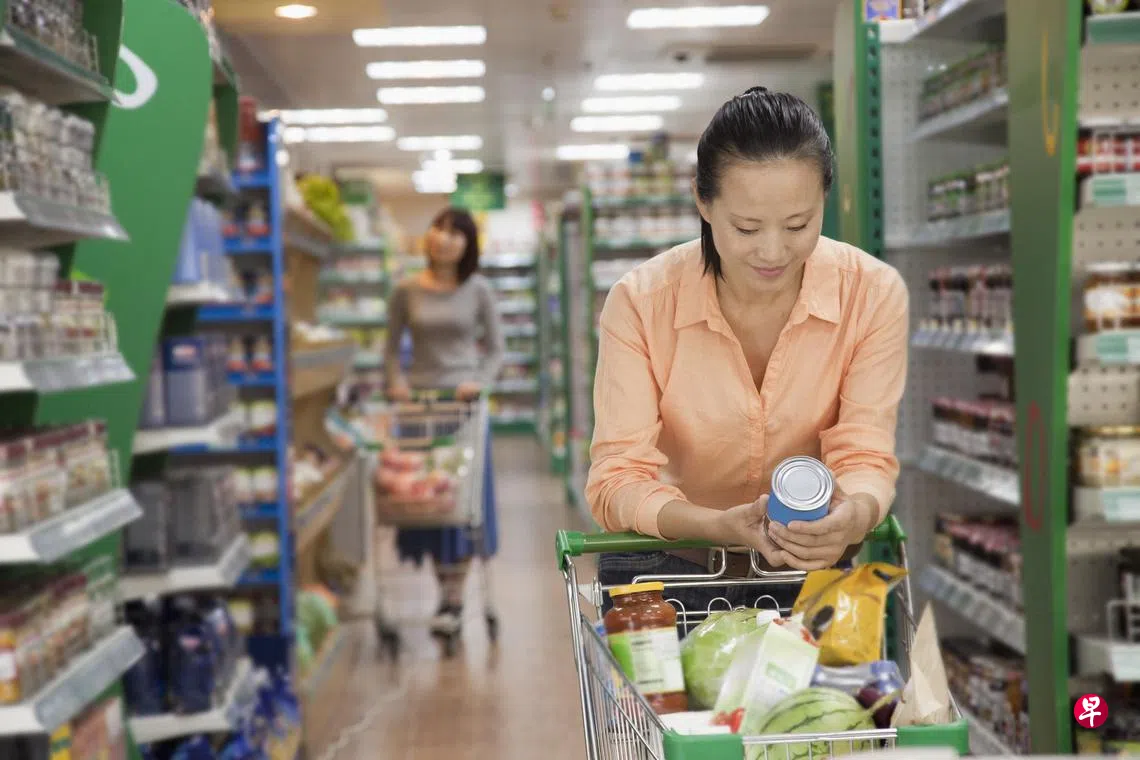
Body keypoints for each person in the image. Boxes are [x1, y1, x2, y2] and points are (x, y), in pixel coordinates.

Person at [586, 87, 909, 616]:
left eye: (799, 225)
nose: (773, 251)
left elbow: (865, 454)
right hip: (664, 568)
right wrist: (716, 526)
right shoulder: (641, 303)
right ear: (703, 202)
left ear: (825, 198)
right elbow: (617, 479)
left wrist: (854, 513)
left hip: (807, 566)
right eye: (746, 228)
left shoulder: (871, 294)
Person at [384, 207, 504, 637]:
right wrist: (396, 384)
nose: (446, 238)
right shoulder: (405, 290)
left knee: (462, 505)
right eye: (440, 229)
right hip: (419, 411)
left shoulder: (479, 290)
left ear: (468, 244)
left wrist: (480, 382)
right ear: (429, 235)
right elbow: (390, 350)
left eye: (457, 233)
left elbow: (496, 350)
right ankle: (445, 595)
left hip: (463, 411)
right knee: (428, 506)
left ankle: (454, 597)